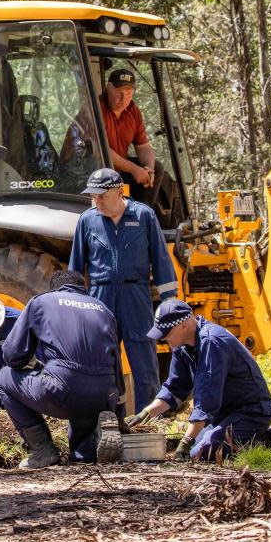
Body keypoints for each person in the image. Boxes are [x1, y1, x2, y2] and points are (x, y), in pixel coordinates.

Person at [68, 168, 178, 413]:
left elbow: (161, 260)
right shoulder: (87, 220)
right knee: (104, 363)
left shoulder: (144, 216)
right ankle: (111, 421)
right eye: (93, 197)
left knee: (144, 362)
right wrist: (73, 303)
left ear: (119, 192)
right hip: (100, 299)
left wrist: (170, 302)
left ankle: (148, 421)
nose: (96, 202)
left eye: (101, 196)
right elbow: (76, 267)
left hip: (136, 297)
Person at [127, 299, 271, 460]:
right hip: (222, 414)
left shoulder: (212, 342)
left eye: (166, 333)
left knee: (203, 453)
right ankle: (230, 437)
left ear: (183, 325)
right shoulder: (182, 346)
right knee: (195, 450)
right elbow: (175, 388)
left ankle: (269, 439)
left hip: (251, 412)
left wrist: (186, 442)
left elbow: (206, 399)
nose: (162, 339)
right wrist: (144, 414)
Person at [0, 271, 125, 467]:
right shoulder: (103, 309)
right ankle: (85, 452)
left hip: (63, 390)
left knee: (3, 377)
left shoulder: (42, 302)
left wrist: (34, 365)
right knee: (82, 387)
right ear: (83, 288)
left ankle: (43, 450)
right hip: (104, 397)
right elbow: (116, 366)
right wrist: (118, 413)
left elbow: (12, 354)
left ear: (54, 289)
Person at [98, 68, 160, 203]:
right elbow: (100, 151)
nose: (124, 98)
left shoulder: (133, 111)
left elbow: (143, 147)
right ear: (108, 88)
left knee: (157, 169)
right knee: (111, 176)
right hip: (95, 171)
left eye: (128, 93)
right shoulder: (95, 108)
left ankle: (141, 217)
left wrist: (148, 169)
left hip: (117, 169)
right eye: (120, 92)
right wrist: (133, 169)